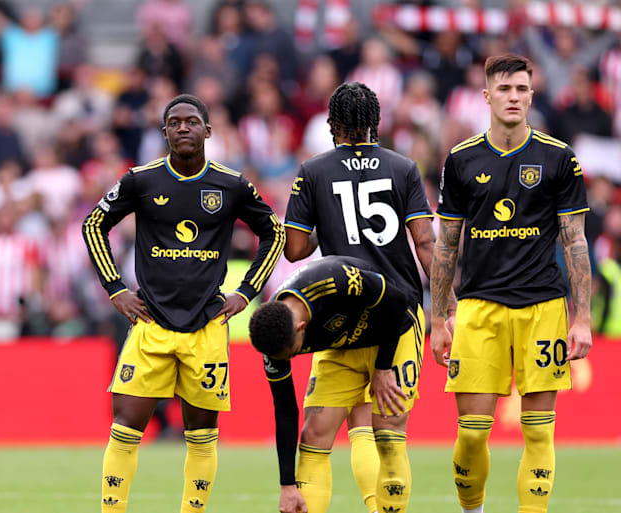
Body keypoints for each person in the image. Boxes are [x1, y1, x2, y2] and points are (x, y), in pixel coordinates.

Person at [83, 93, 285, 512]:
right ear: (164, 133)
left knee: (202, 432)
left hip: (207, 326)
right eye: (174, 123)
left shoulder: (231, 184)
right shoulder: (141, 180)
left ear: (208, 131)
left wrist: (247, 291)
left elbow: (275, 233)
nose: (183, 128)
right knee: (125, 426)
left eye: (192, 121)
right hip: (151, 325)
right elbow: (93, 225)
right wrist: (115, 288)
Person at [430, 53, 592, 513]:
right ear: (486, 96)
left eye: (522, 89)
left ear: (532, 95)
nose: (514, 97)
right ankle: (473, 509)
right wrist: (439, 318)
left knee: (539, 429)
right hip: (479, 310)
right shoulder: (461, 160)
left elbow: (575, 241)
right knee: (471, 435)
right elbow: (446, 246)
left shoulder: (559, 158)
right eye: (504, 89)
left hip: (543, 307)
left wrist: (581, 318)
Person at [282, 82, 445, 513]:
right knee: (389, 433)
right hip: (402, 311)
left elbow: (295, 250)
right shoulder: (404, 167)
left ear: (333, 125)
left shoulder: (313, 170)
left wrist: (327, 219)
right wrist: (446, 312)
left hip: (340, 317)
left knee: (315, 438)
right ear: (376, 122)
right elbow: (426, 245)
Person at [250, 255, 417, 513]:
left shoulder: (335, 281)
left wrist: (382, 368)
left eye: (293, 352)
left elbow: (397, 300)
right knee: (314, 433)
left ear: (301, 327)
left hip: (392, 328)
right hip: (342, 346)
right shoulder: (273, 336)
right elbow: (285, 410)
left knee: (387, 433)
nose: (292, 358)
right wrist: (287, 485)